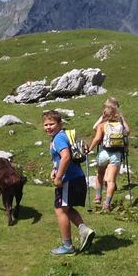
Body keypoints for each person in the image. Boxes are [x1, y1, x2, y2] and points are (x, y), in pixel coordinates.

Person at [43, 109, 95, 255]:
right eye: (46, 124)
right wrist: (55, 170)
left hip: (69, 180)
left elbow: (65, 157)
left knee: (60, 210)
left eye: (51, 124)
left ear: (59, 123)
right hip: (77, 177)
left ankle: (67, 247)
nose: (48, 127)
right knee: (67, 208)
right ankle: (85, 230)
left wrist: (59, 177)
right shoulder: (65, 135)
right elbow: (64, 159)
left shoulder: (58, 138)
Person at [88, 100, 128, 212]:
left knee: (100, 173)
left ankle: (98, 196)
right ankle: (107, 204)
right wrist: (123, 120)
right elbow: (127, 133)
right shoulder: (120, 126)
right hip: (116, 154)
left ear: (105, 115)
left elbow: (96, 139)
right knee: (111, 181)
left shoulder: (102, 125)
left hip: (104, 153)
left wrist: (89, 149)